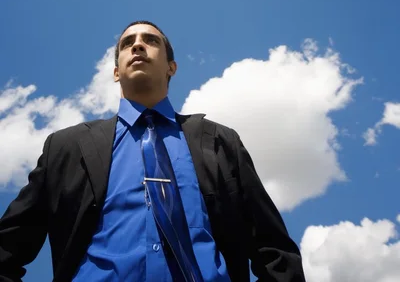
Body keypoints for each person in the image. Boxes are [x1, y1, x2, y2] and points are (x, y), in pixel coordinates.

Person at [0, 21, 306, 282]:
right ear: (116, 72)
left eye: (150, 41)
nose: (137, 46)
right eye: (127, 43)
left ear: (171, 67)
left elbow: (274, 247)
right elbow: (8, 246)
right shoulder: (65, 148)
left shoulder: (219, 141)